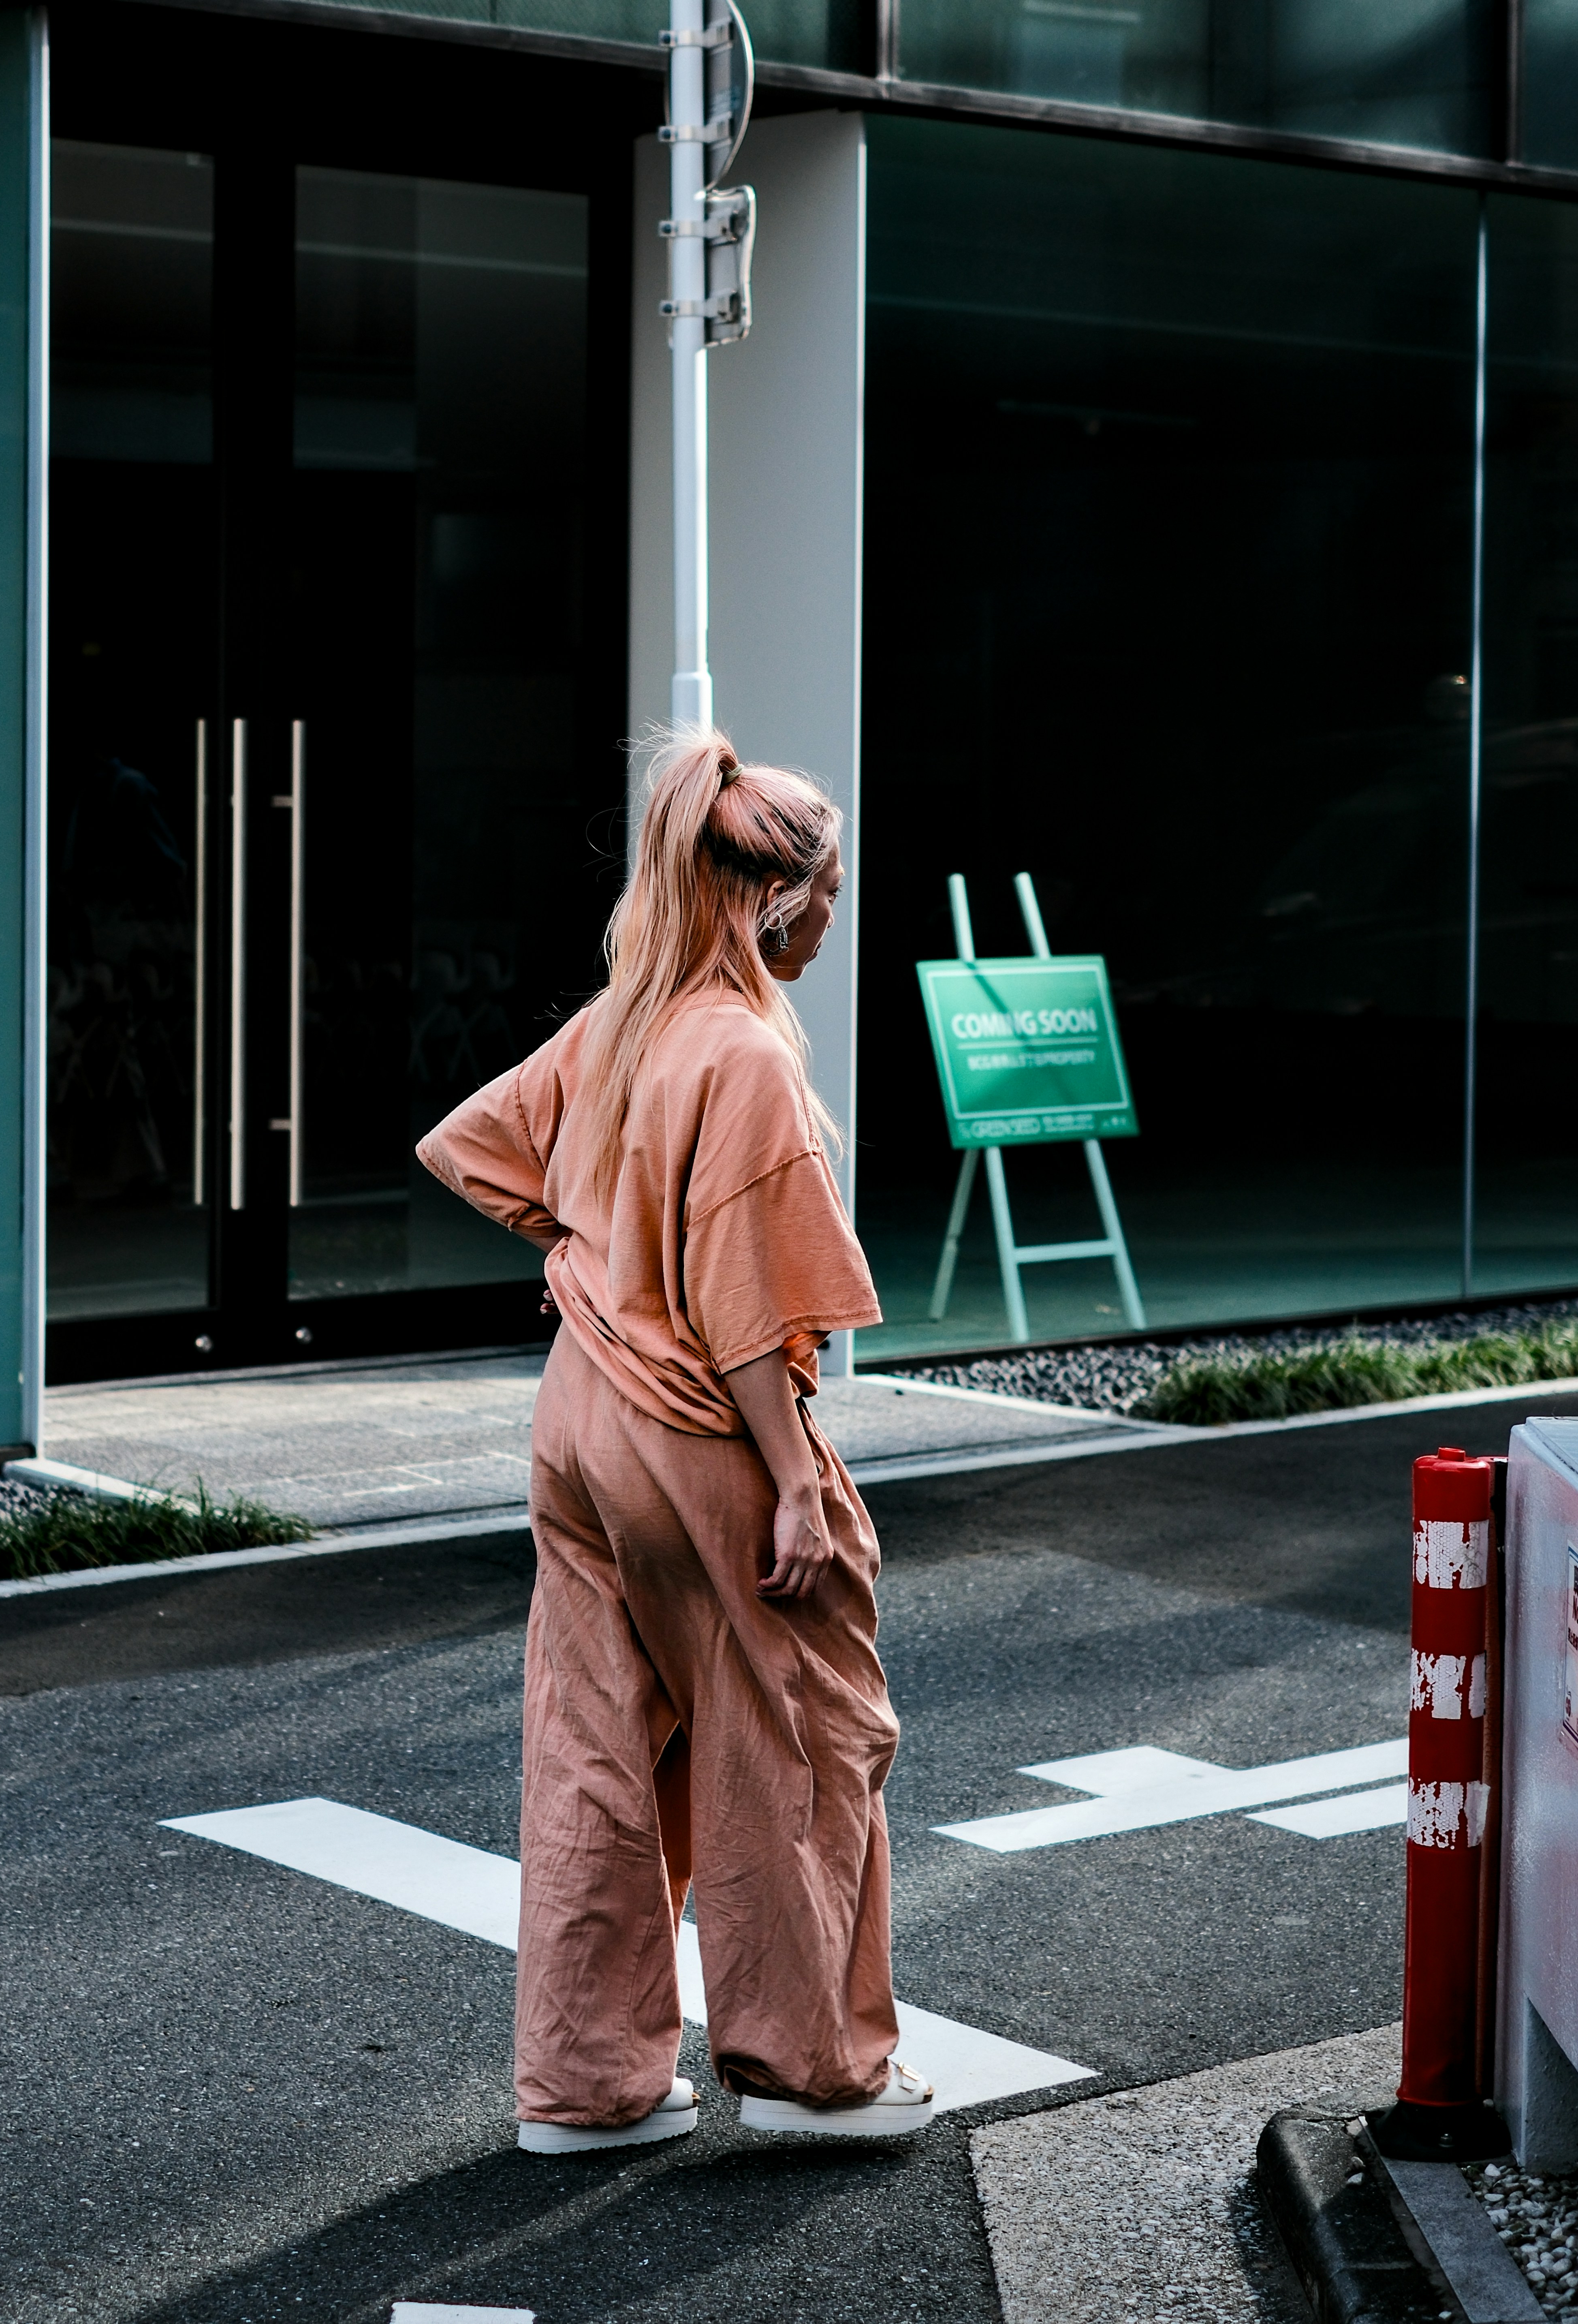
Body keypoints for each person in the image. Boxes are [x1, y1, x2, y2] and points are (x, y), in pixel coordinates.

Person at [416, 727, 931, 2152]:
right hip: (701, 1434)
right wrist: (795, 1488)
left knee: (591, 1749)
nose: (833, 920)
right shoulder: (746, 1055)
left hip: (578, 1414)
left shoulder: (624, 1021)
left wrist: (597, 1263)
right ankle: (813, 2074)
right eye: (826, 895)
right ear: (779, 899)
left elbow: (475, 1145)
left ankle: (585, 2093)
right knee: (805, 1733)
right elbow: (754, 1312)